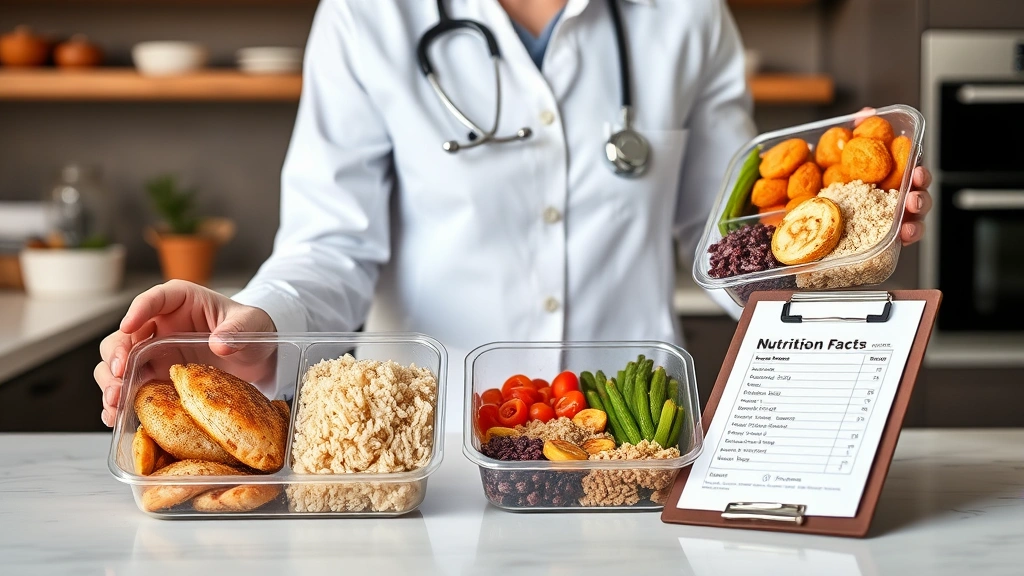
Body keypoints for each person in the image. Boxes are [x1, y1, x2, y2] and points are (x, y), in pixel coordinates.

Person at [94, 0, 933, 428]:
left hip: (635, 437)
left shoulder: (685, 13)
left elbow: (729, 235)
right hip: (430, 447)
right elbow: (332, 244)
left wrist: (836, 240)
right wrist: (256, 329)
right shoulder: (370, 13)